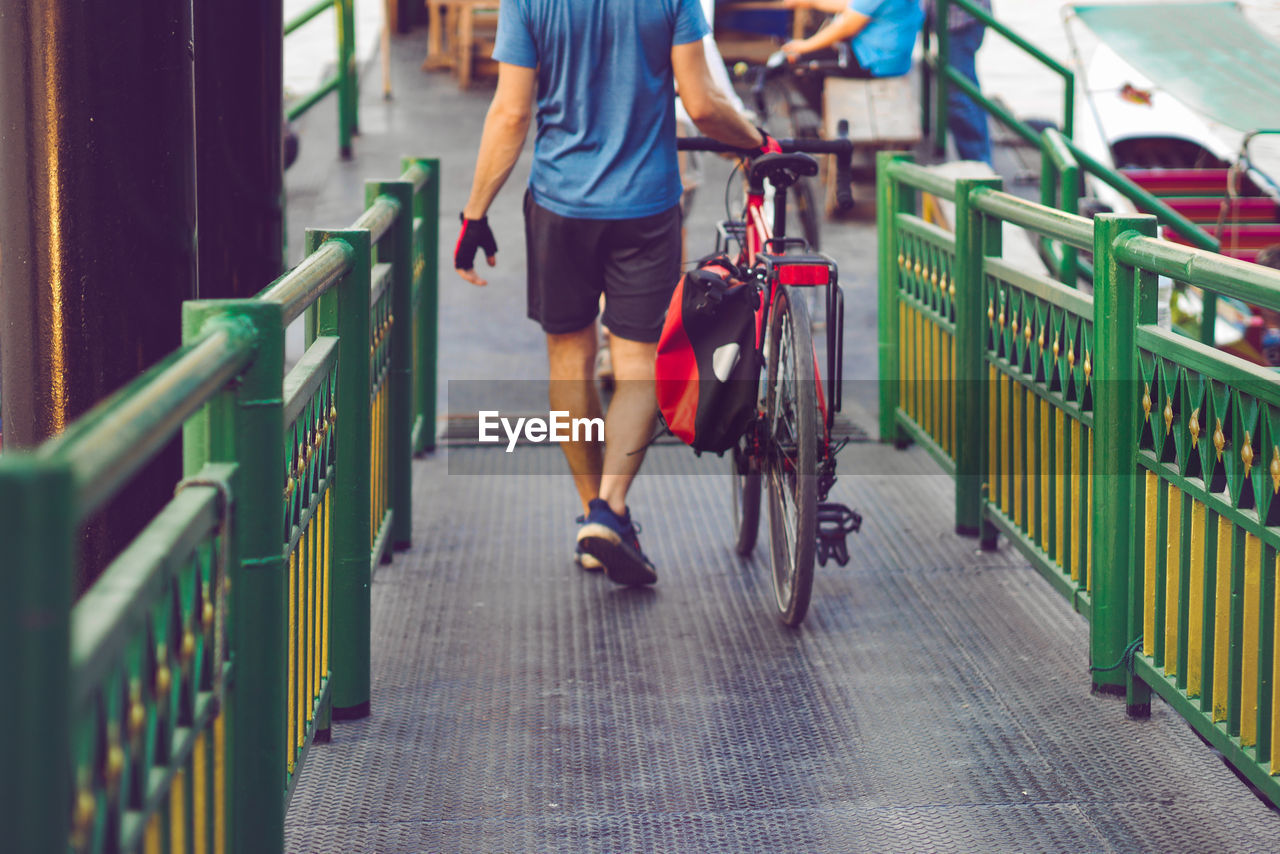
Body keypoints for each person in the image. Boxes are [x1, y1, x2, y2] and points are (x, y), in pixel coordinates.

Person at [453, 0, 776, 586]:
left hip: (558, 204)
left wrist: (475, 213)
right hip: (646, 209)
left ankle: (593, 518)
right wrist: (757, 142)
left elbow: (510, 113)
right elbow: (701, 104)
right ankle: (611, 509)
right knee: (636, 366)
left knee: (569, 361)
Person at [778, 0, 923, 79]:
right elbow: (852, 5)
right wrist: (811, 2)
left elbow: (847, 26)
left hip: (876, 62)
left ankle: (830, 125)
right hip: (893, 60)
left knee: (797, 61)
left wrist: (804, 46)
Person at [926, 0, 993, 164]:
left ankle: (979, 168)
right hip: (960, 19)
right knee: (966, 88)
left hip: (960, 21)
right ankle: (981, 163)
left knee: (957, 96)